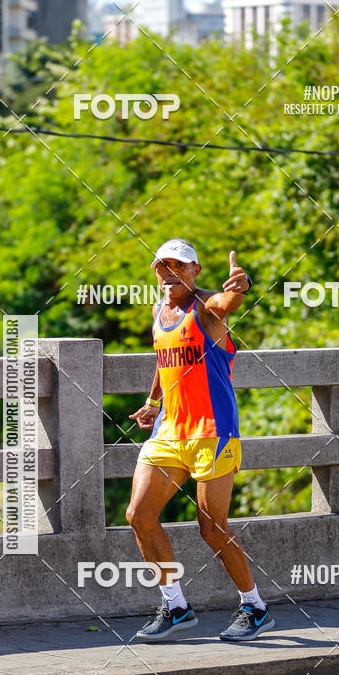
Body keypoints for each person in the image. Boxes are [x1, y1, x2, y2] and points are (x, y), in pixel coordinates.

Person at [126, 238, 275, 642]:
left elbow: (226, 305)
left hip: (214, 432)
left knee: (211, 528)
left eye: (178, 266)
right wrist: (153, 402)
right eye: (161, 266)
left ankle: (255, 607)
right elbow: (163, 358)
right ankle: (175, 606)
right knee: (139, 515)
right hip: (170, 430)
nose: (167, 273)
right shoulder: (160, 311)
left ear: (195, 270)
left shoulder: (207, 309)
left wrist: (239, 288)